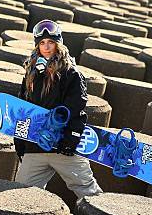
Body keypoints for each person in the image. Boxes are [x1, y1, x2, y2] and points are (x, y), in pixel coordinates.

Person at [14, 19, 102, 198]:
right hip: (36, 147)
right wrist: (20, 141)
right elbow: (24, 108)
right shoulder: (31, 73)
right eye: (42, 43)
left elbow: (76, 108)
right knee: (20, 195)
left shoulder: (71, 74)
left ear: (59, 44)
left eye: (51, 42)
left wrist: (72, 138)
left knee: (89, 193)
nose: (46, 47)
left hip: (63, 148)